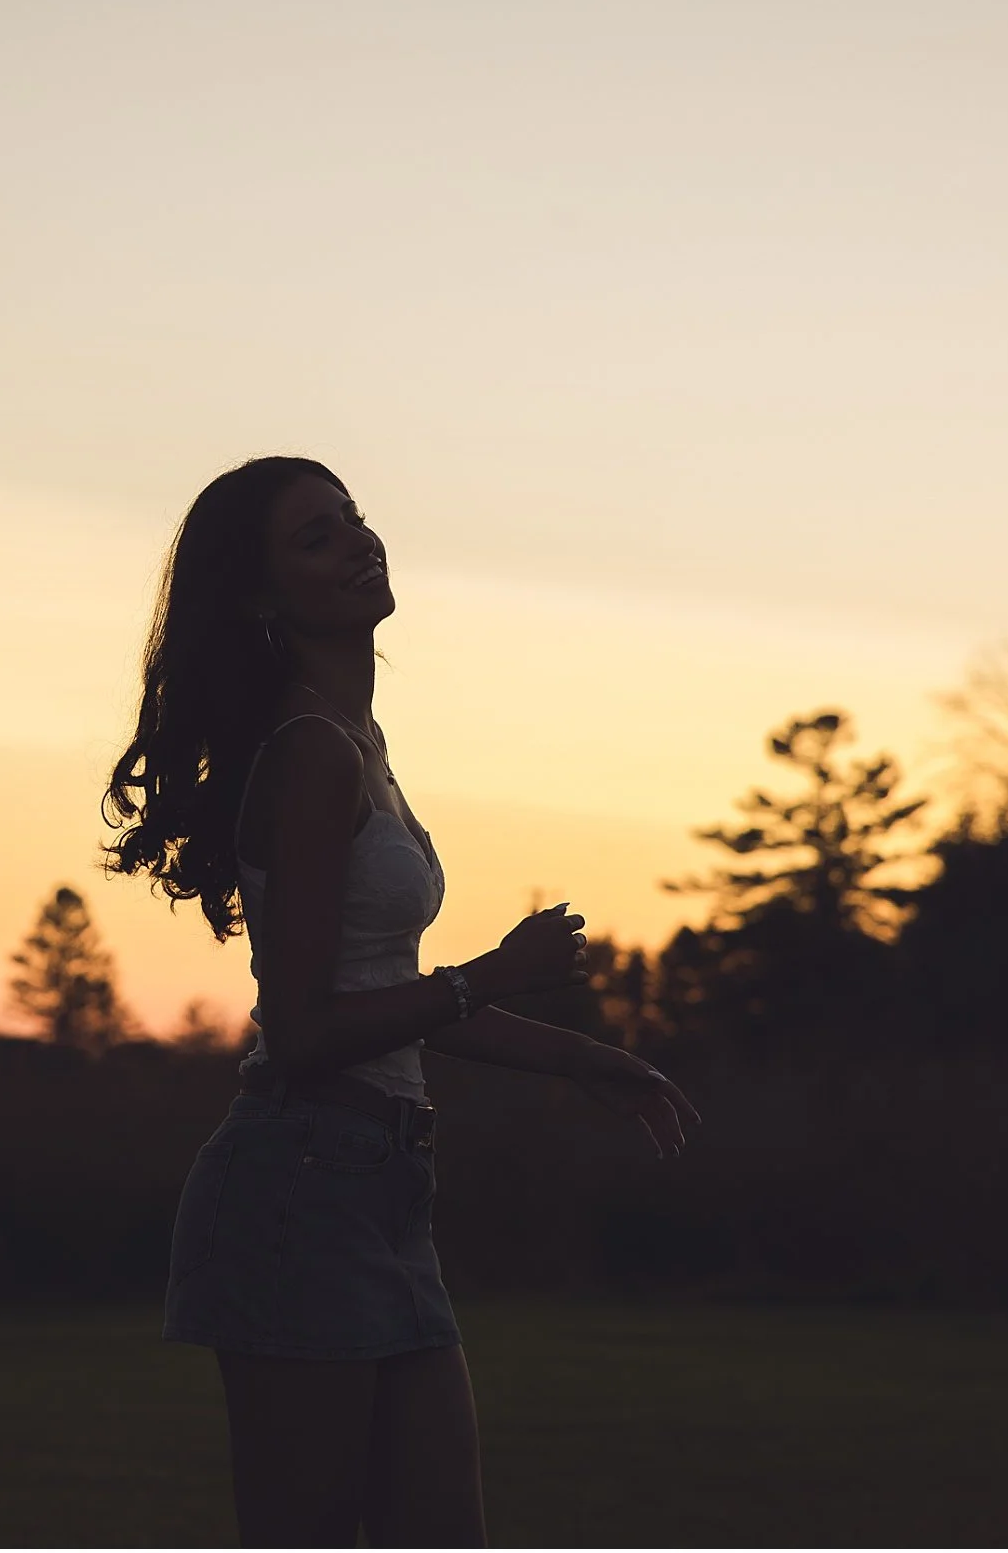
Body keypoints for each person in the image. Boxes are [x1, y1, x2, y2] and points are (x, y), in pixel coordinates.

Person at [106, 457, 696, 1545]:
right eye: (317, 539)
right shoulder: (310, 757)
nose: (358, 544)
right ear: (261, 596)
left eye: (354, 520)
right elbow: (302, 1037)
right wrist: (485, 975)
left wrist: (583, 1058)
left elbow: (380, 996)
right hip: (300, 1183)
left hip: (379, 1187)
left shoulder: (356, 743)